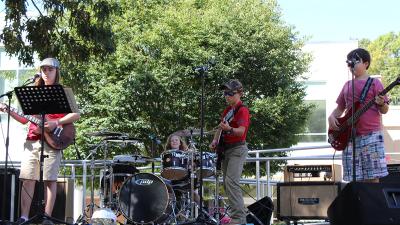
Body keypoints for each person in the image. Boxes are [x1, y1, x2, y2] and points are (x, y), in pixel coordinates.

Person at [0, 58, 80, 224]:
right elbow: (24, 120)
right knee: (27, 178)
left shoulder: (63, 91)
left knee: (50, 180)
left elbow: (76, 115)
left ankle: (47, 218)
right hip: (32, 141)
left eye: (50, 69)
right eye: (43, 69)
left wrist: (56, 122)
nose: (46, 72)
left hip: (54, 140)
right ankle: (23, 217)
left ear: (56, 71)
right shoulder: (34, 91)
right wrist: (8, 110)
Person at [328, 48, 389, 183]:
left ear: (366, 63)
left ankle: (372, 204)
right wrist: (331, 117)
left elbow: (385, 110)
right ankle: (357, 204)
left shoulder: (375, 83)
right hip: (350, 136)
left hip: (371, 134)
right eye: (350, 62)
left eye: (356, 61)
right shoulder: (347, 85)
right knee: (354, 179)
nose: (352, 65)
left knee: (372, 177)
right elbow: (340, 108)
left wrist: (381, 104)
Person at [210, 79, 250, 225]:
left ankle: (239, 219)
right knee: (227, 184)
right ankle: (237, 216)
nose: (227, 96)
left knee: (231, 182)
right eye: (225, 93)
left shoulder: (242, 110)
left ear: (239, 93)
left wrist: (230, 129)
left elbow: (241, 132)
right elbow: (220, 128)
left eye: (230, 93)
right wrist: (215, 141)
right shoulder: (227, 110)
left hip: (238, 149)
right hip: (226, 150)